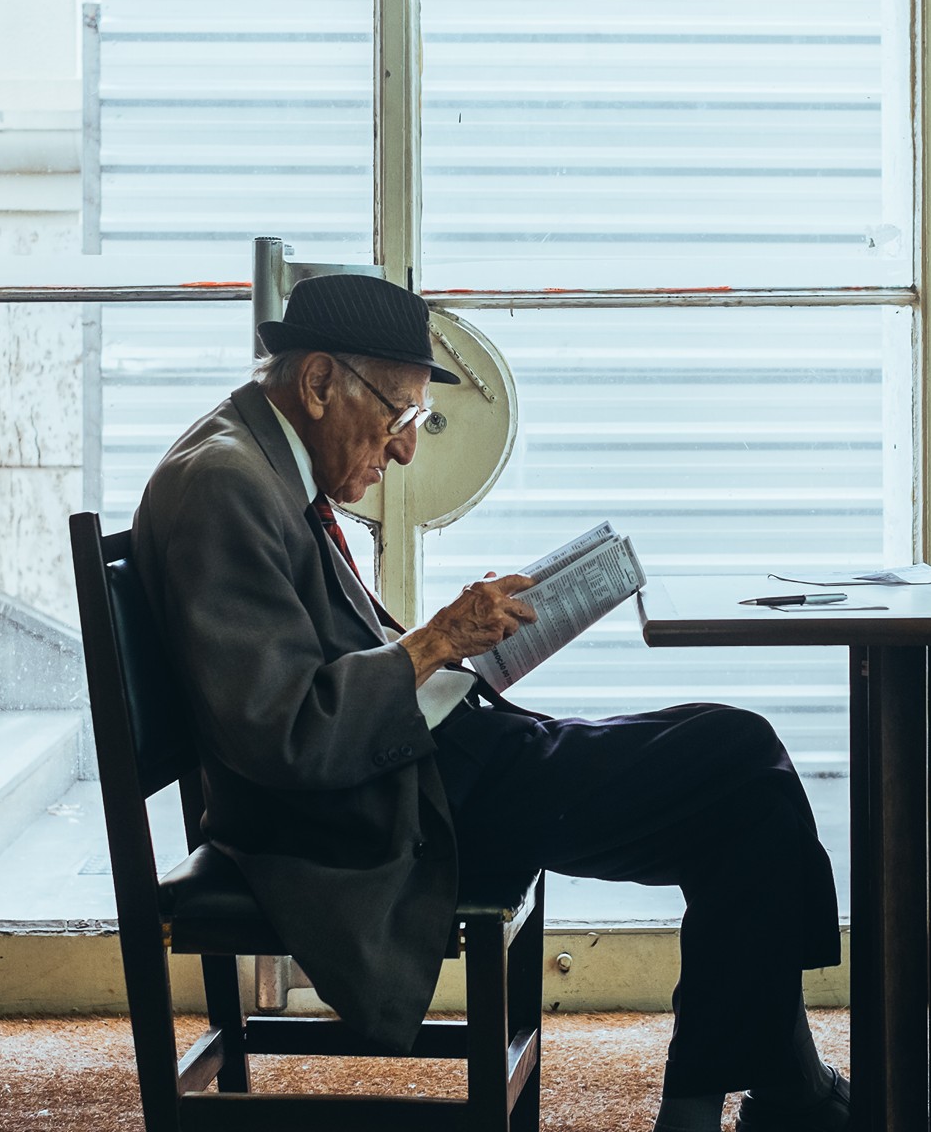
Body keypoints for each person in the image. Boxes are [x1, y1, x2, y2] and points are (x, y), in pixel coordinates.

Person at [132, 274, 847, 1131]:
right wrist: (433, 642)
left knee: (736, 763)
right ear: (319, 381)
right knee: (739, 764)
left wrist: (457, 649)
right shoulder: (225, 485)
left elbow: (317, 673)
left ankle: (752, 1097)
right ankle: (778, 1095)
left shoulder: (252, 460)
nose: (404, 451)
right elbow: (282, 732)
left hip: (421, 762)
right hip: (380, 812)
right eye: (400, 417)